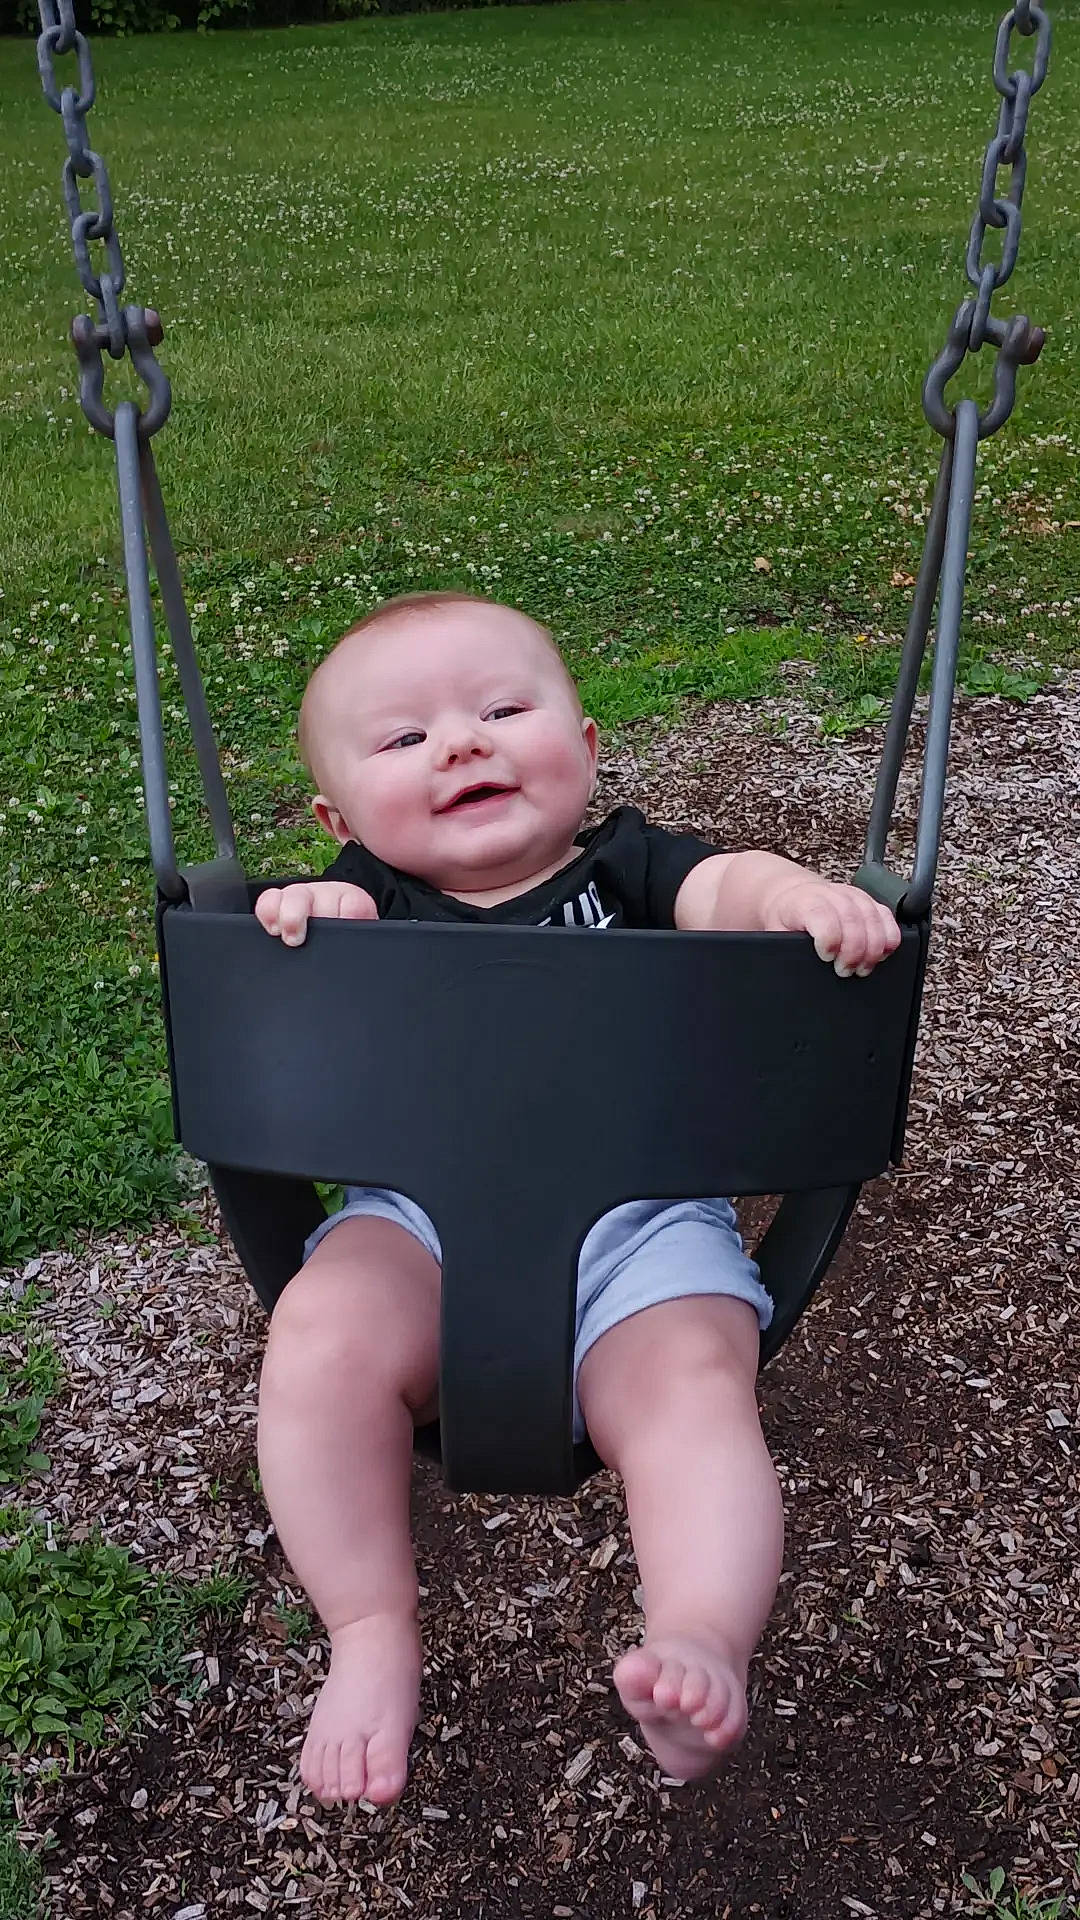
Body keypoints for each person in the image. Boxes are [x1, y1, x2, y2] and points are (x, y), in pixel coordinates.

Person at [253, 590, 900, 1809]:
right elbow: (294, 962)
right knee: (318, 1339)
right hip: (419, 1224)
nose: (462, 742)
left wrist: (791, 903)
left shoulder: (631, 870)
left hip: (644, 1224)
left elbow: (729, 886)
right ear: (342, 819)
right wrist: (306, 923)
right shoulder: (363, 903)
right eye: (406, 739)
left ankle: (703, 1638)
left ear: (587, 747)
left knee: (694, 1395)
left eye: (504, 708)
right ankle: (372, 1624)